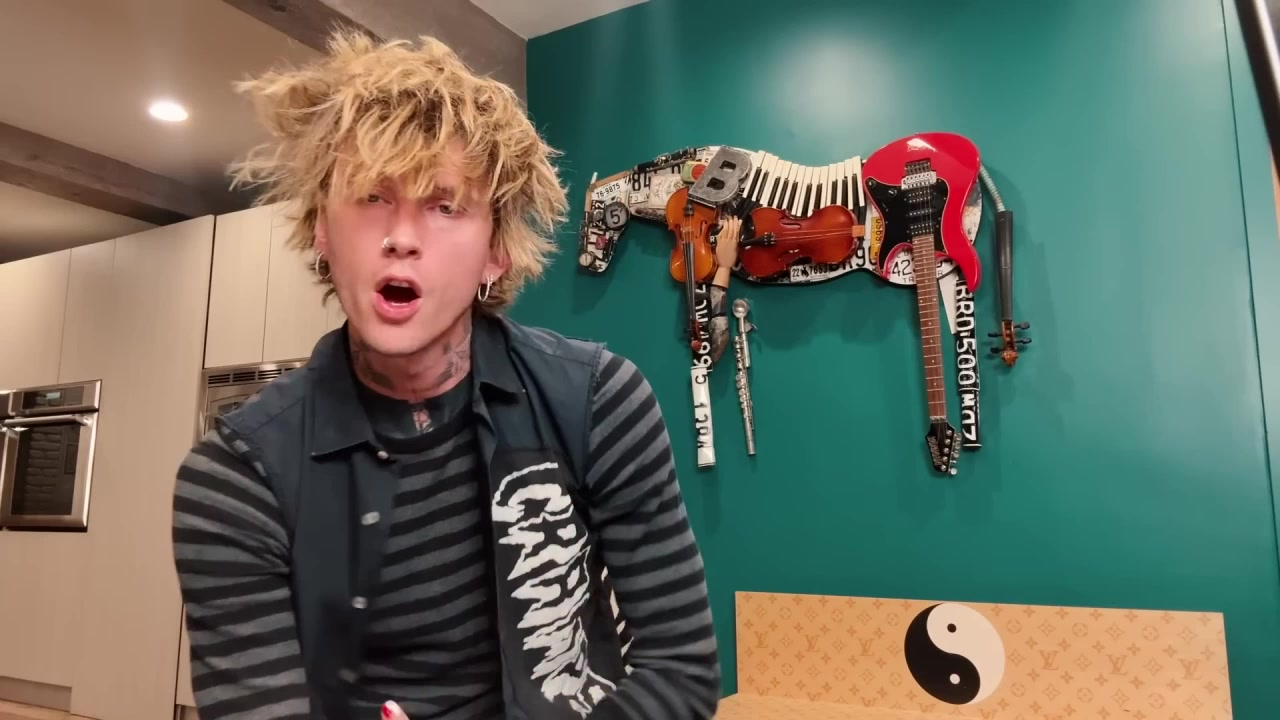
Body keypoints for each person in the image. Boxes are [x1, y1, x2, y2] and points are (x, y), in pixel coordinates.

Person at [171, 30, 726, 720]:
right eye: (370, 195)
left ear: (496, 251)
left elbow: (681, 672)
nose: (402, 237)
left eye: (444, 205)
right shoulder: (235, 477)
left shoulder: (597, 401)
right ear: (321, 231)